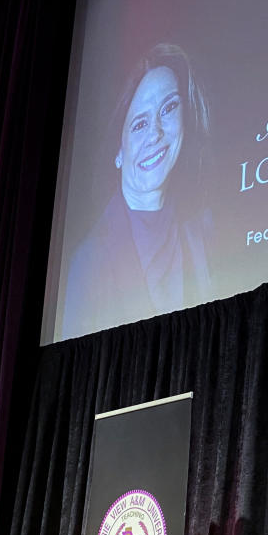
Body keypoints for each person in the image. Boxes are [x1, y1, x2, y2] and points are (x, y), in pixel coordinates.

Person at [62, 44, 213, 338]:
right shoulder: (87, 262)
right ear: (119, 152)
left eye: (169, 108)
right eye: (139, 124)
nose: (155, 132)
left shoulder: (205, 231)